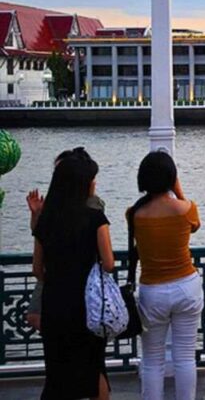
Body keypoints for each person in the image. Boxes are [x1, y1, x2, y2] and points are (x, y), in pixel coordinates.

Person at [32, 147, 114, 400]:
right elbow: (109, 263)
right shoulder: (95, 218)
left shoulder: (46, 220)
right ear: (83, 184)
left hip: (55, 303)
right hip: (88, 305)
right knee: (93, 366)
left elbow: (37, 270)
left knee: (57, 372)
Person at [129, 151, 202, 400]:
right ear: (172, 178)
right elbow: (196, 224)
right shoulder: (185, 209)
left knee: (152, 359)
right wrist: (179, 191)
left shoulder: (134, 214)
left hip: (152, 291)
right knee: (184, 357)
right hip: (186, 286)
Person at [25, 149, 107, 332]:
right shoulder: (54, 205)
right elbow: (40, 235)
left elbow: (37, 266)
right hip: (58, 275)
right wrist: (36, 214)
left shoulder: (91, 205)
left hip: (66, 278)